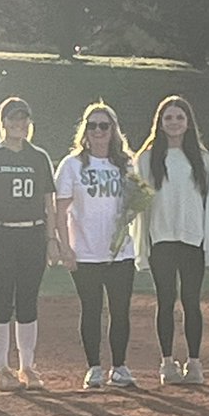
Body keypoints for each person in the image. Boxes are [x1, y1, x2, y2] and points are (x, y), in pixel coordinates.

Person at [133, 95, 209, 385]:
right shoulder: (147, 159)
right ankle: (167, 363)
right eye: (168, 118)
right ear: (159, 124)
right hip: (161, 240)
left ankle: (194, 363)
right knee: (165, 300)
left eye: (179, 118)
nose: (174, 123)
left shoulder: (202, 159)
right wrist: (140, 244)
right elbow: (138, 204)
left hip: (191, 240)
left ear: (188, 123)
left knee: (191, 300)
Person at [0, 97, 58, 392]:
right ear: (2, 122)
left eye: (24, 119)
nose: (19, 124)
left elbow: (49, 204)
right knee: (1, 301)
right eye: (13, 118)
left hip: (32, 234)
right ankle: (1, 368)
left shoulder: (39, 157)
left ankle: (27, 367)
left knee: (28, 301)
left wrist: (51, 240)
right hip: (0, 234)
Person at [55, 102, 137, 389]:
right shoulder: (72, 165)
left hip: (120, 251)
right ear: (85, 131)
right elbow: (60, 209)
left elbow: (138, 201)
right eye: (93, 125)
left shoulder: (126, 163)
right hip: (85, 251)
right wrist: (64, 246)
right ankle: (94, 368)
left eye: (105, 125)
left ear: (113, 130)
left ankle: (120, 367)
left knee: (120, 310)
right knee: (91, 308)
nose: (99, 131)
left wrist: (133, 211)